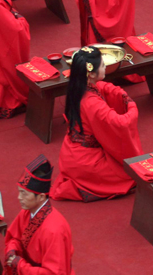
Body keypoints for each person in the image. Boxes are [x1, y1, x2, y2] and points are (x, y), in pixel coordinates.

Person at [3, 156, 129, 275]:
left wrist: (20, 265)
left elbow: (55, 274)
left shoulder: (54, 229)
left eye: (24, 194)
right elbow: (14, 236)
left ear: (41, 196)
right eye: (19, 192)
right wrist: (12, 250)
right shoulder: (27, 214)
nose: (19, 198)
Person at [51, 46, 142, 202]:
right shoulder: (92, 103)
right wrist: (132, 107)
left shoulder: (78, 87)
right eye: (102, 65)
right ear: (91, 74)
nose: (105, 66)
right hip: (86, 163)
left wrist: (120, 94)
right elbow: (120, 123)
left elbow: (104, 87)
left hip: (72, 154)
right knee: (130, 175)